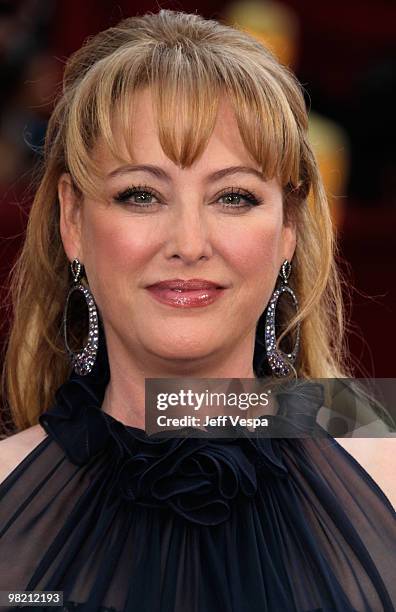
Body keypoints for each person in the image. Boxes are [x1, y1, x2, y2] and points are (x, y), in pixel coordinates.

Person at [0, 9, 395, 612]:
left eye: (233, 196)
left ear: (288, 226)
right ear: (72, 221)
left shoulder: (386, 470)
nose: (189, 242)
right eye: (141, 195)